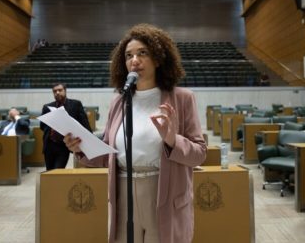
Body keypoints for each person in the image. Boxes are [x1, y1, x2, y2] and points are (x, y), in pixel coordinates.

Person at [64, 24, 207, 243]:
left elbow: (199, 154)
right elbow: (109, 155)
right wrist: (80, 148)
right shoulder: (119, 102)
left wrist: (171, 140)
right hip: (123, 193)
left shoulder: (182, 98)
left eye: (142, 53)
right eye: (129, 55)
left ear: (158, 58)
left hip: (163, 192)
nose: (135, 60)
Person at [41, 83, 92, 170]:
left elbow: (85, 124)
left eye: (60, 90)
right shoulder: (47, 107)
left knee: (57, 171)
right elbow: (42, 126)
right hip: (49, 145)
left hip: (64, 145)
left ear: (65, 91)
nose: (57, 92)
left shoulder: (75, 104)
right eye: (54, 91)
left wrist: (89, 140)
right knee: (49, 172)